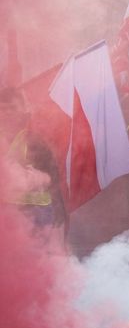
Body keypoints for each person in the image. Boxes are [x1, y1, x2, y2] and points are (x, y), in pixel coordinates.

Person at [1, 87, 65, 228]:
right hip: (6, 217)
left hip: (36, 215)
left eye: (12, 108)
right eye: (2, 109)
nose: (6, 113)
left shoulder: (36, 142)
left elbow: (52, 179)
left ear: (23, 110)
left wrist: (59, 211)